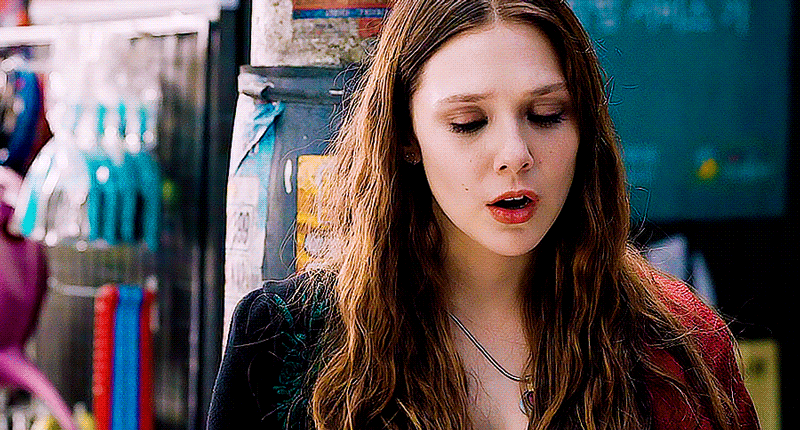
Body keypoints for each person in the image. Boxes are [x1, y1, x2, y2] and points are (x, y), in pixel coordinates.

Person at [208, 1, 760, 429]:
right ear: (405, 137)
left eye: (546, 114)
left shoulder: (678, 342)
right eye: (468, 123)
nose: (515, 154)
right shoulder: (284, 340)